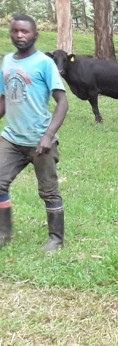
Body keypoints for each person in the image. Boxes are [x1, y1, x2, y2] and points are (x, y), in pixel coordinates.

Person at [0, 14, 69, 251]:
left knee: (48, 191)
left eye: (25, 32)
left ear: (35, 35)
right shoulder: (7, 61)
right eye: (15, 31)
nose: (20, 35)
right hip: (11, 138)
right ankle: (4, 234)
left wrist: (48, 136)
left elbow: (62, 102)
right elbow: (4, 99)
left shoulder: (44, 63)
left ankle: (56, 239)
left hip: (40, 140)